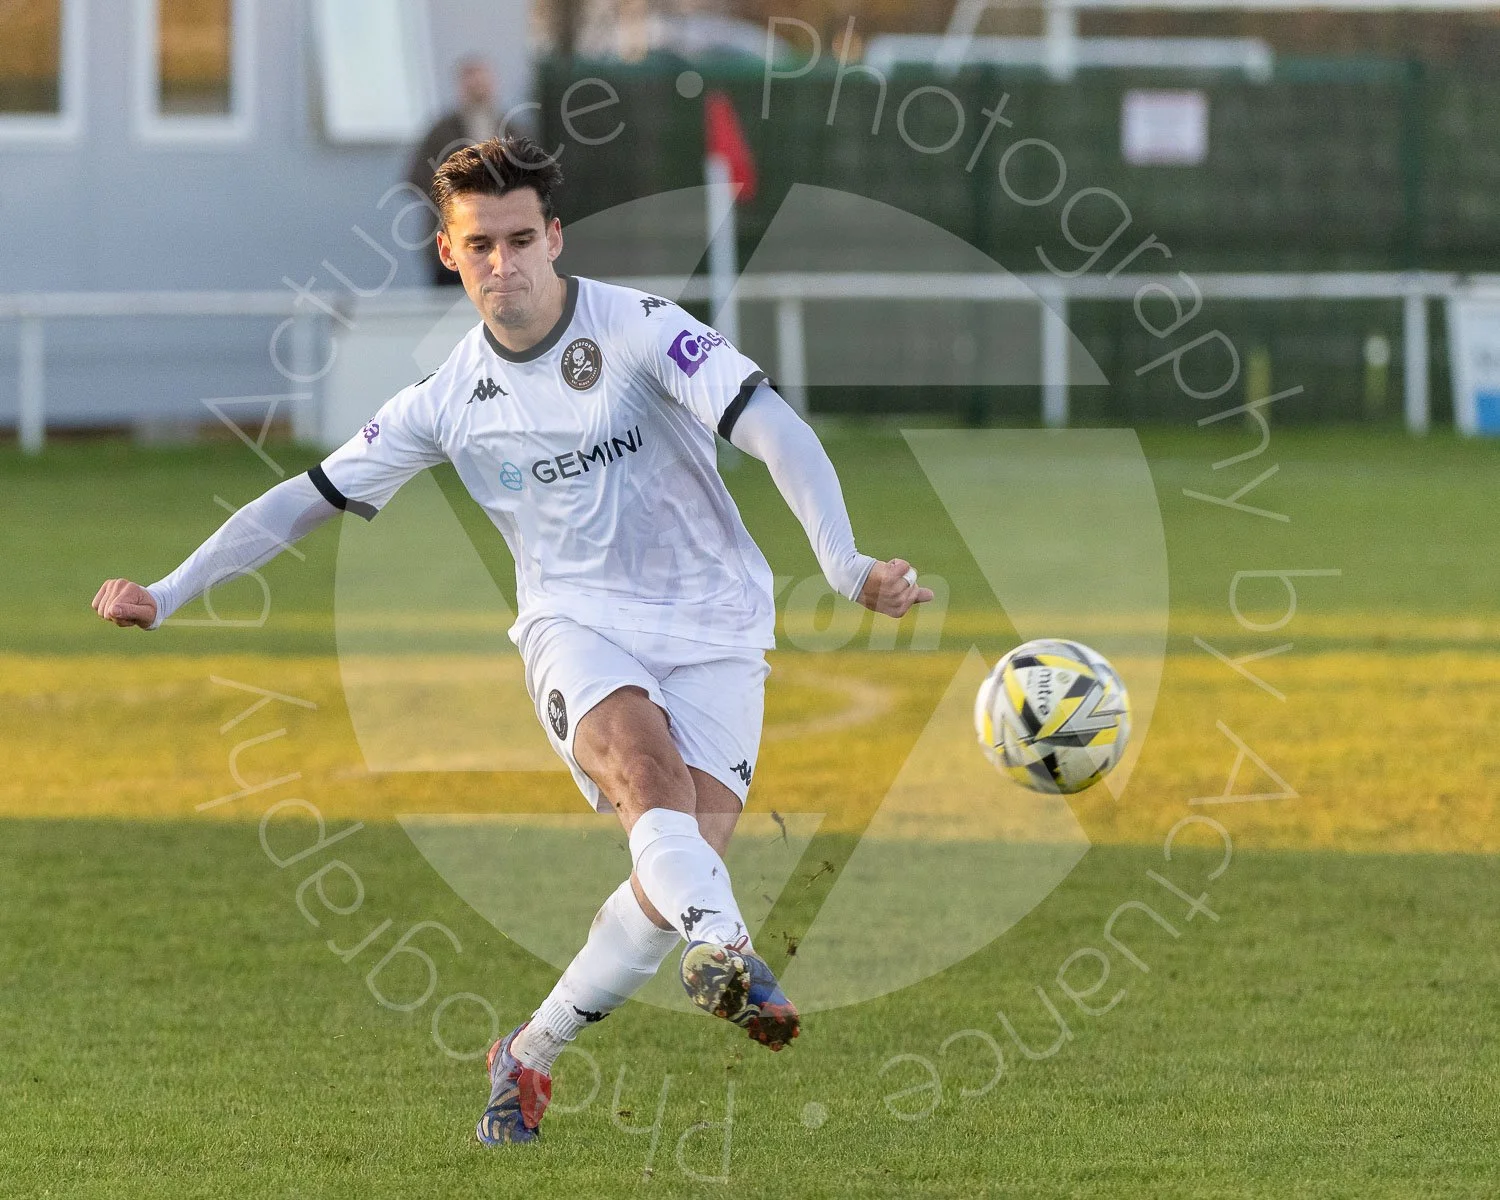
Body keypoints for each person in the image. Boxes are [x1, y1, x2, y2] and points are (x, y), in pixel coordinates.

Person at [91, 136, 933, 1147]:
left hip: (719, 626)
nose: (504, 264)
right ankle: (729, 949)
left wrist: (843, 565)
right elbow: (305, 500)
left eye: (521, 238)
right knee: (644, 778)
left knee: (675, 871)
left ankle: (527, 1055)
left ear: (556, 237)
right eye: (480, 244)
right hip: (571, 625)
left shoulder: (638, 328)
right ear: (449, 253)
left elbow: (769, 426)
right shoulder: (445, 398)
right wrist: (171, 591)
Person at [406, 58, 531, 286]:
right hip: (456, 242)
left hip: (506, 246)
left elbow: (534, 177)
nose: (478, 91)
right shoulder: (441, 132)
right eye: (472, 86)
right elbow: (417, 177)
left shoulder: (512, 129)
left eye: (482, 84)